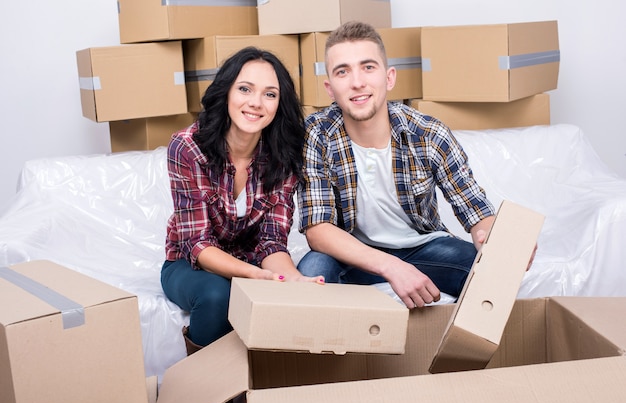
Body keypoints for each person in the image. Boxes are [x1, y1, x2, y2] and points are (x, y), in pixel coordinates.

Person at [297, 21, 510, 310]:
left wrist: (503, 245)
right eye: (342, 71)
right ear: (330, 88)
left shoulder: (428, 133)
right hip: (350, 255)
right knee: (312, 273)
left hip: (422, 248)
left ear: (389, 78)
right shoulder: (316, 135)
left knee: (492, 274)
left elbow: (476, 211)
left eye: (368, 67)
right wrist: (390, 267)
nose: (357, 82)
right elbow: (318, 229)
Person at [161, 46, 324, 362]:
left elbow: (272, 242)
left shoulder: (284, 155)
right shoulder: (188, 147)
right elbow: (198, 245)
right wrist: (257, 277)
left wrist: (290, 280)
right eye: (245, 89)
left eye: (270, 94)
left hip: (251, 262)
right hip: (187, 263)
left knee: (292, 292)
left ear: (279, 104)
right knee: (216, 295)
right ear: (226, 92)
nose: (255, 103)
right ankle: (207, 399)